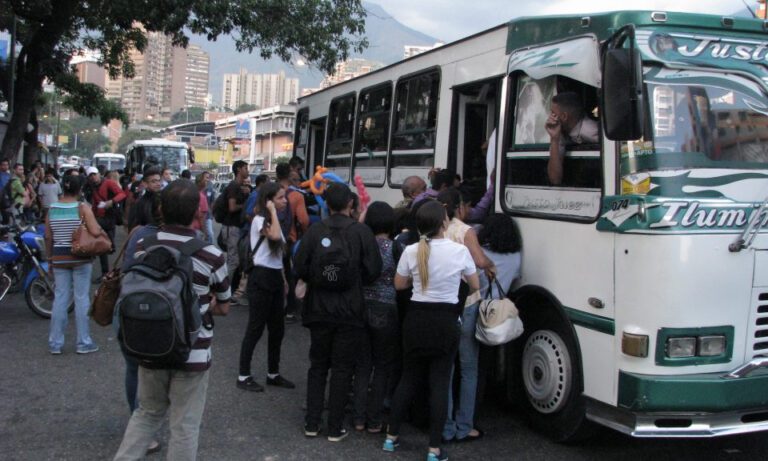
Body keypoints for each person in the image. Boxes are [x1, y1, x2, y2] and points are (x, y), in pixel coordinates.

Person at [113, 180, 231, 461]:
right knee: (185, 425)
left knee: (146, 413)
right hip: (193, 351)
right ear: (198, 214)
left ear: (161, 210)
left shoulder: (144, 244)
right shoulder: (211, 255)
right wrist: (206, 303)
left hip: (150, 344)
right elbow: (224, 307)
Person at [384, 200, 479, 461]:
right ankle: (434, 449)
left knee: (408, 379)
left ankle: (391, 438)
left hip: (415, 320)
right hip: (445, 321)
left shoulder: (411, 250)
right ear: (444, 223)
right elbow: (474, 284)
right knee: (439, 384)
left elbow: (400, 285)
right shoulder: (459, 252)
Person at [294, 183, 382, 442]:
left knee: (318, 365)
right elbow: (373, 270)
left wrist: (322, 277)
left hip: (318, 308)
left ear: (326, 205)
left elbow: (299, 266)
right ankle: (335, 427)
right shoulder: (361, 232)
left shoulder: (315, 231)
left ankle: (312, 423)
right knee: (343, 368)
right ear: (350, 205)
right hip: (350, 309)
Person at [437, 187, 495, 444]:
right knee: (469, 368)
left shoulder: (432, 228)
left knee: (446, 369)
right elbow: (480, 261)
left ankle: (445, 427)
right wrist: (491, 266)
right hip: (467, 303)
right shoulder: (465, 230)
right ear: (460, 207)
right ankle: (465, 426)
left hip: (442, 303)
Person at [237, 182, 295, 392]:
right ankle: (243, 375)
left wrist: (284, 279)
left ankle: (273, 373)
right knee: (255, 327)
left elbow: (278, 254)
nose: (285, 201)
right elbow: (273, 238)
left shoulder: (274, 220)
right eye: (280, 197)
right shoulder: (260, 220)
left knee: (277, 329)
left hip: (275, 277)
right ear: (269, 200)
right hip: (260, 277)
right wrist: (270, 209)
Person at [352, 201, 398, 434]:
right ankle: (374, 420)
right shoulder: (396, 247)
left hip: (361, 306)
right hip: (386, 308)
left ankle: (358, 419)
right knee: (382, 367)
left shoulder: (361, 245)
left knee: (362, 365)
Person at [45, 174, 102, 355]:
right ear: (79, 189)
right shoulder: (82, 208)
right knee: (81, 298)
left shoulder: (52, 208)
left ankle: (55, 342)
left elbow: (48, 236)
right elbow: (94, 230)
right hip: (81, 258)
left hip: (59, 257)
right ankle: (83, 341)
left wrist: (50, 259)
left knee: (60, 298)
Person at [276, 163, 310, 323]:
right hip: (289, 239)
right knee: (289, 273)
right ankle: (290, 309)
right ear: (290, 176)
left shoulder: (269, 191)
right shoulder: (297, 196)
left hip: (269, 238)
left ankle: (273, 307)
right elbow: (304, 220)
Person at [545, 91, 599, 185]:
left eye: (553, 113)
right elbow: (555, 179)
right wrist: (554, 139)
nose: (550, 116)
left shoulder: (591, 131)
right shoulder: (560, 131)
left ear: (564, 116)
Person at [85, 166, 126, 283]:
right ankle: (105, 271)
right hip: (100, 216)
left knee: (102, 244)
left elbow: (122, 194)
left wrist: (111, 202)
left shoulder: (108, 183)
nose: (93, 177)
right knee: (102, 246)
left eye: (94, 174)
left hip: (109, 217)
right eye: (91, 176)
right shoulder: (92, 186)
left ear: (99, 174)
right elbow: (94, 202)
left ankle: (107, 271)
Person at [221, 161, 249, 285]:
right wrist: (245, 205)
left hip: (236, 227)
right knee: (233, 261)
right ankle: (223, 290)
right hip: (231, 227)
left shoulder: (240, 187)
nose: (247, 171)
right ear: (239, 169)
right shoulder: (233, 186)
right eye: (245, 168)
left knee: (235, 260)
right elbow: (232, 207)